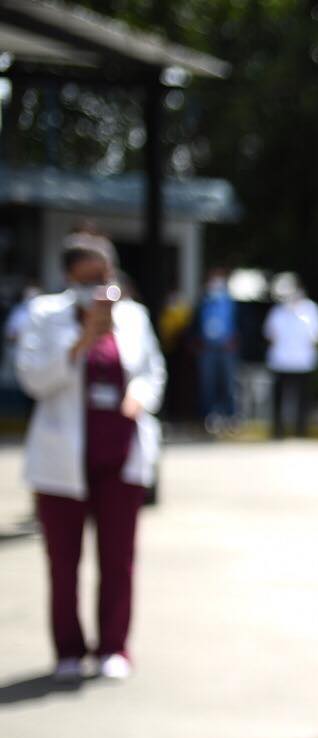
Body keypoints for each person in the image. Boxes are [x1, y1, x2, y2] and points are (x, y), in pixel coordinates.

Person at [16, 230, 166, 682]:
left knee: (118, 559)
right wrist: (82, 340)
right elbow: (33, 379)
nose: (96, 286)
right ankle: (68, 649)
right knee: (64, 563)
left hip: (120, 456)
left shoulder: (134, 317)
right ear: (67, 277)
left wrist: (139, 397)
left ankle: (113, 647)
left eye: (102, 276)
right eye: (85, 278)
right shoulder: (45, 316)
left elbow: (152, 371)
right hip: (63, 460)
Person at [263, 273, 318, 439]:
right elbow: (270, 335)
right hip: (281, 361)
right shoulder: (277, 311)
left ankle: (302, 430)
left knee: (303, 399)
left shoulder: (311, 309)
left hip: (303, 361)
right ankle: (278, 431)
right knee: (279, 398)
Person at [195, 267, 238, 433]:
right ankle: (209, 417)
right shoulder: (203, 301)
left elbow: (241, 324)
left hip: (227, 349)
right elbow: (195, 326)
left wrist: (235, 340)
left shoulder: (230, 301)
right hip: (208, 349)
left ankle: (230, 416)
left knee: (228, 384)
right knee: (208, 384)